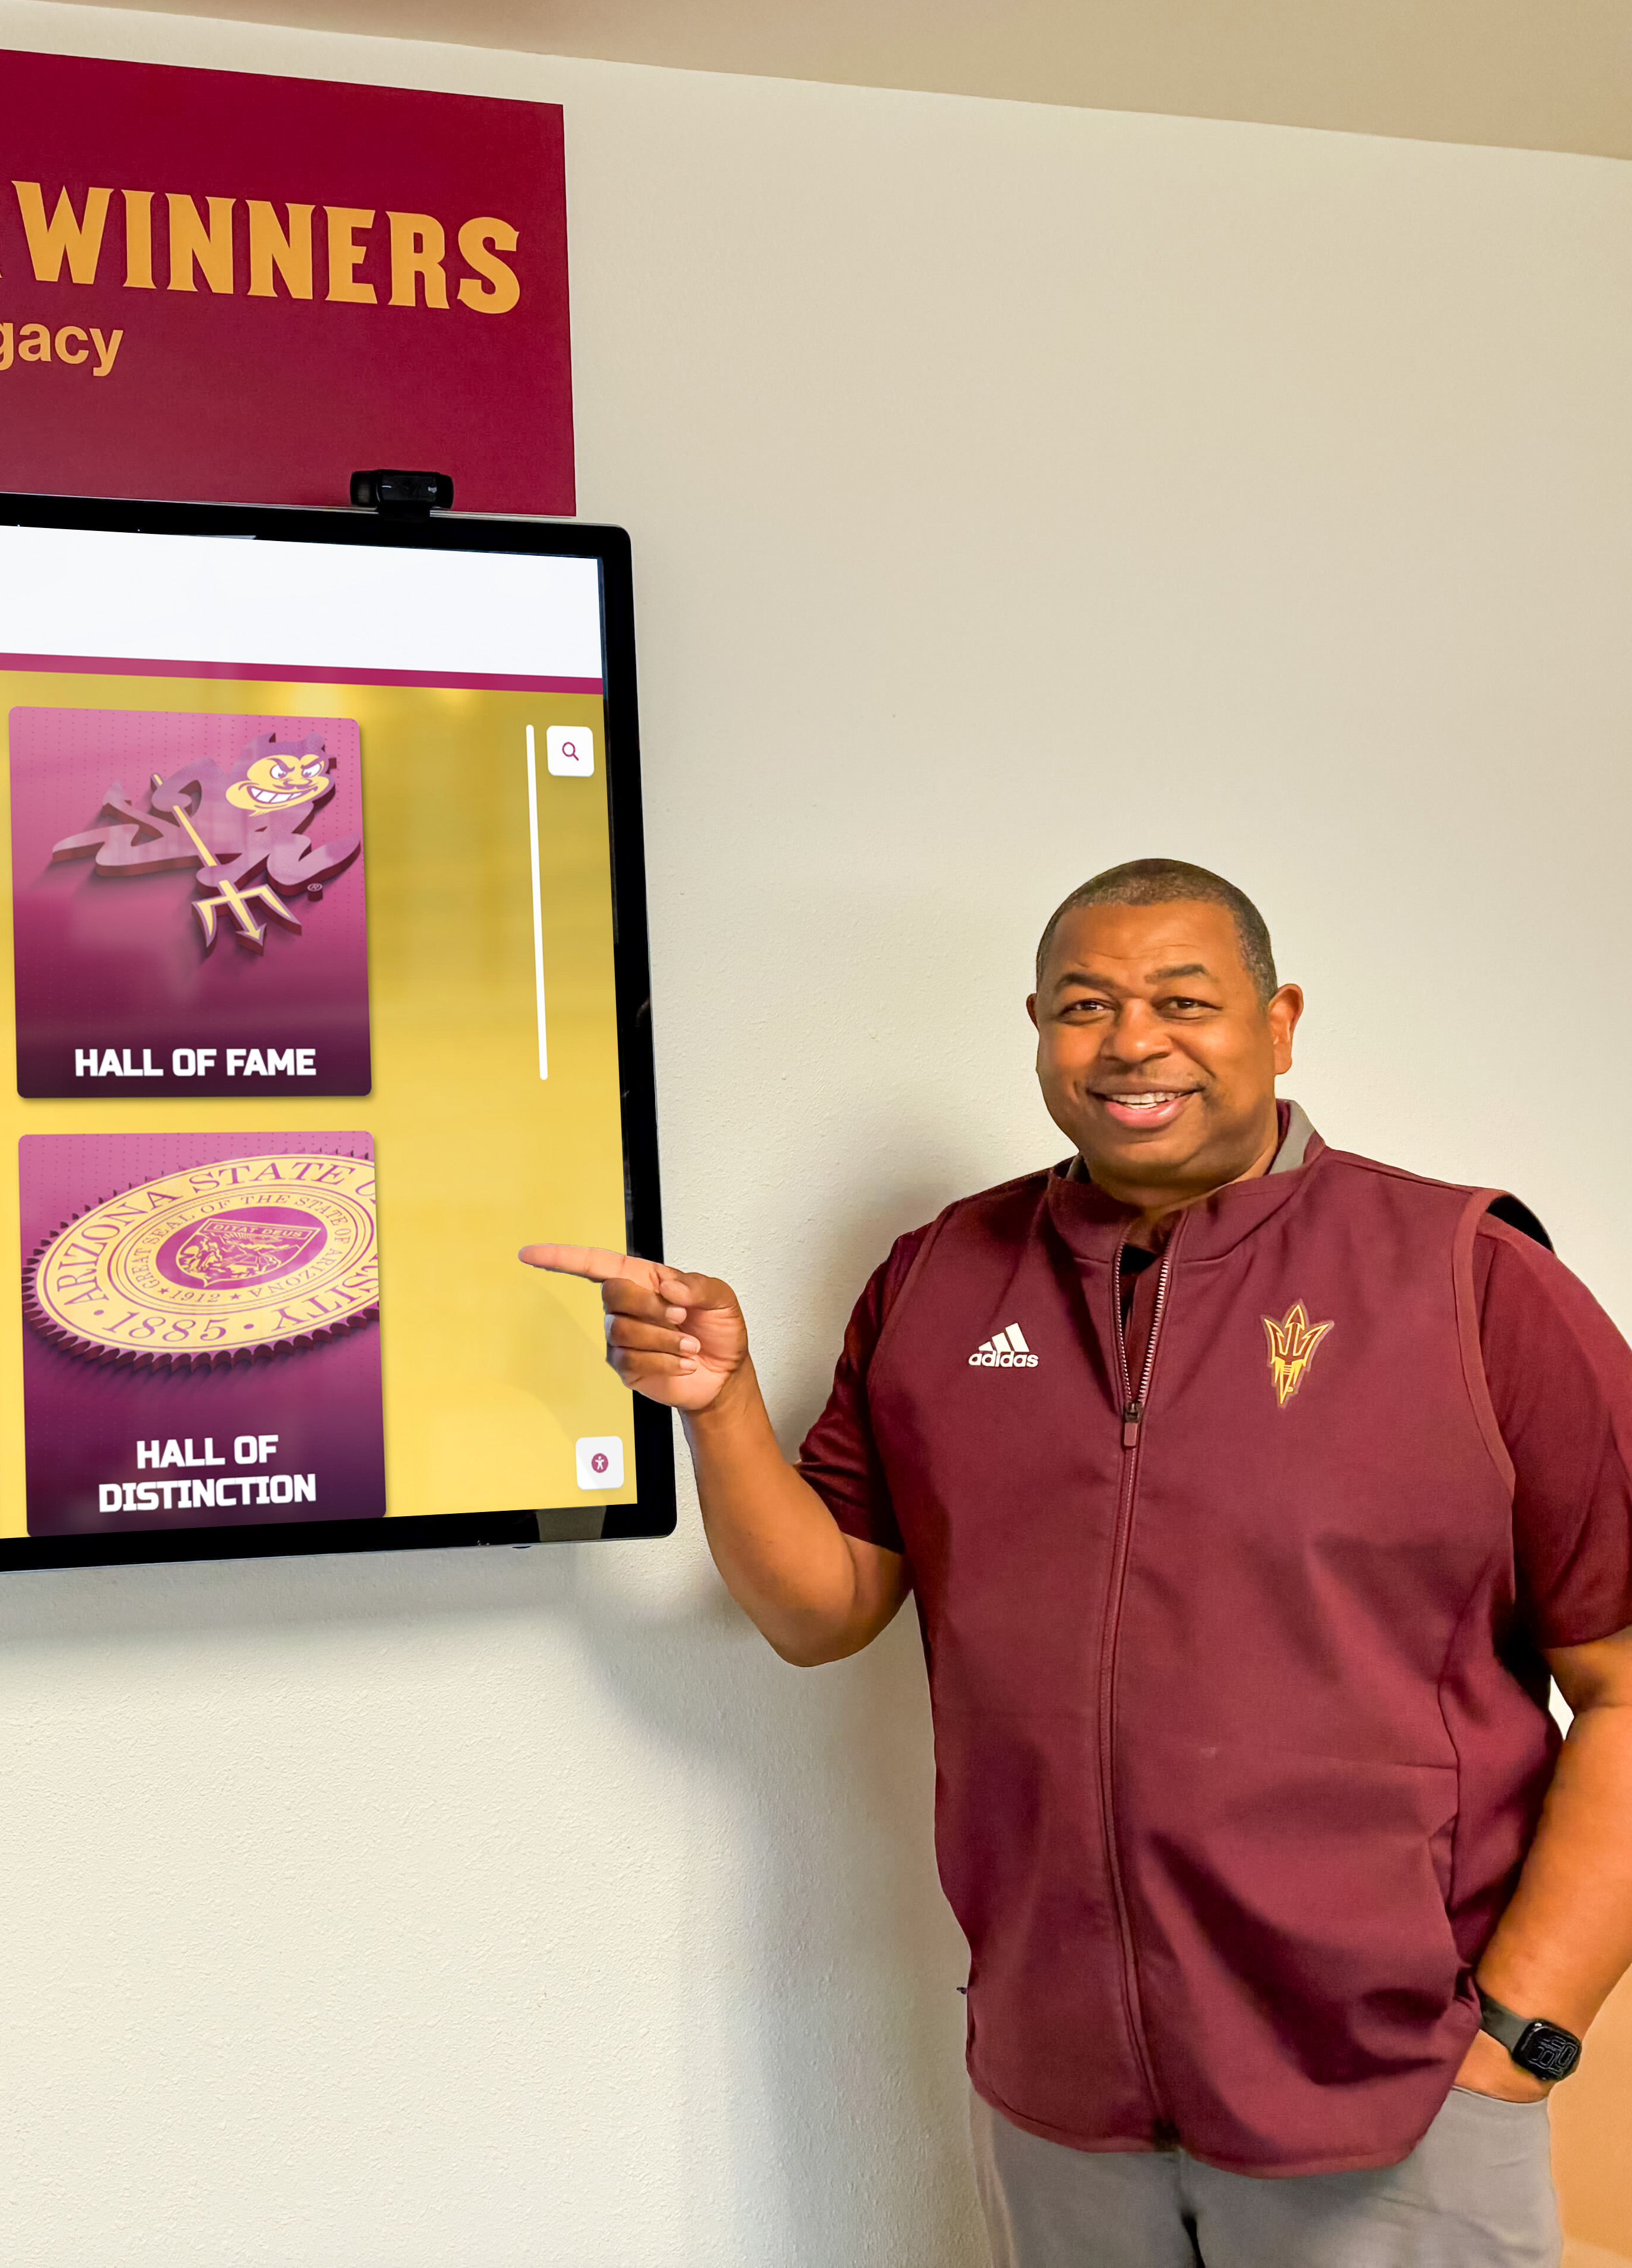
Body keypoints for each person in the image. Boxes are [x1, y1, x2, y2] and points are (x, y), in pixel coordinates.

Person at [525, 859, 1632, 2267]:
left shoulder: (1467, 1276)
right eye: (1085, 1006)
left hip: (1393, 2100)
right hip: (1062, 2101)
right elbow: (823, 1611)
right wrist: (721, 1405)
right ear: (1039, 1028)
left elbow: (1625, 1680)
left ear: (1279, 1022)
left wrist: (1525, 2036)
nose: (1131, 1042)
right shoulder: (939, 1281)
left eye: (1184, 999)